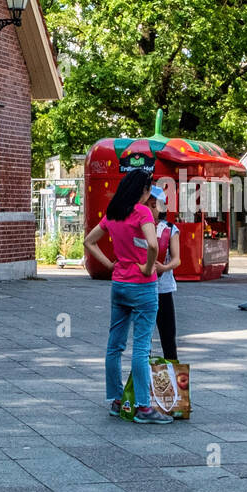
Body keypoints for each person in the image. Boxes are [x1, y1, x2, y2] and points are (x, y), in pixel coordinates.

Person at [84, 168, 172, 425]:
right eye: (149, 191)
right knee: (141, 346)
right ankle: (144, 407)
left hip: (119, 283)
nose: (149, 196)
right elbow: (153, 245)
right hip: (143, 286)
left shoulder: (113, 212)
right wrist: (147, 266)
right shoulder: (142, 212)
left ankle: (116, 400)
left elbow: (89, 241)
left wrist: (110, 265)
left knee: (115, 345)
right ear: (142, 191)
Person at [151, 184, 181, 361]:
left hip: (163, 289)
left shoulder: (170, 229)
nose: (151, 209)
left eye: (155, 205)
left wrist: (164, 268)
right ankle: (143, 378)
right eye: (148, 205)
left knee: (168, 336)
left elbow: (177, 258)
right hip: (144, 288)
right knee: (144, 339)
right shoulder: (139, 226)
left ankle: (174, 380)